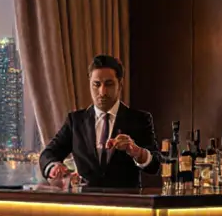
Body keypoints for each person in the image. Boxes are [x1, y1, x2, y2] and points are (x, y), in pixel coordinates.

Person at [39, 54, 160, 189]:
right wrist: (53, 167)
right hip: (87, 205)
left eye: (109, 84)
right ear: (90, 83)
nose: (102, 92)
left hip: (127, 204)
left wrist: (137, 152)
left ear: (120, 85)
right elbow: (48, 154)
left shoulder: (140, 119)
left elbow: (155, 165)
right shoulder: (76, 121)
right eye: (96, 84)